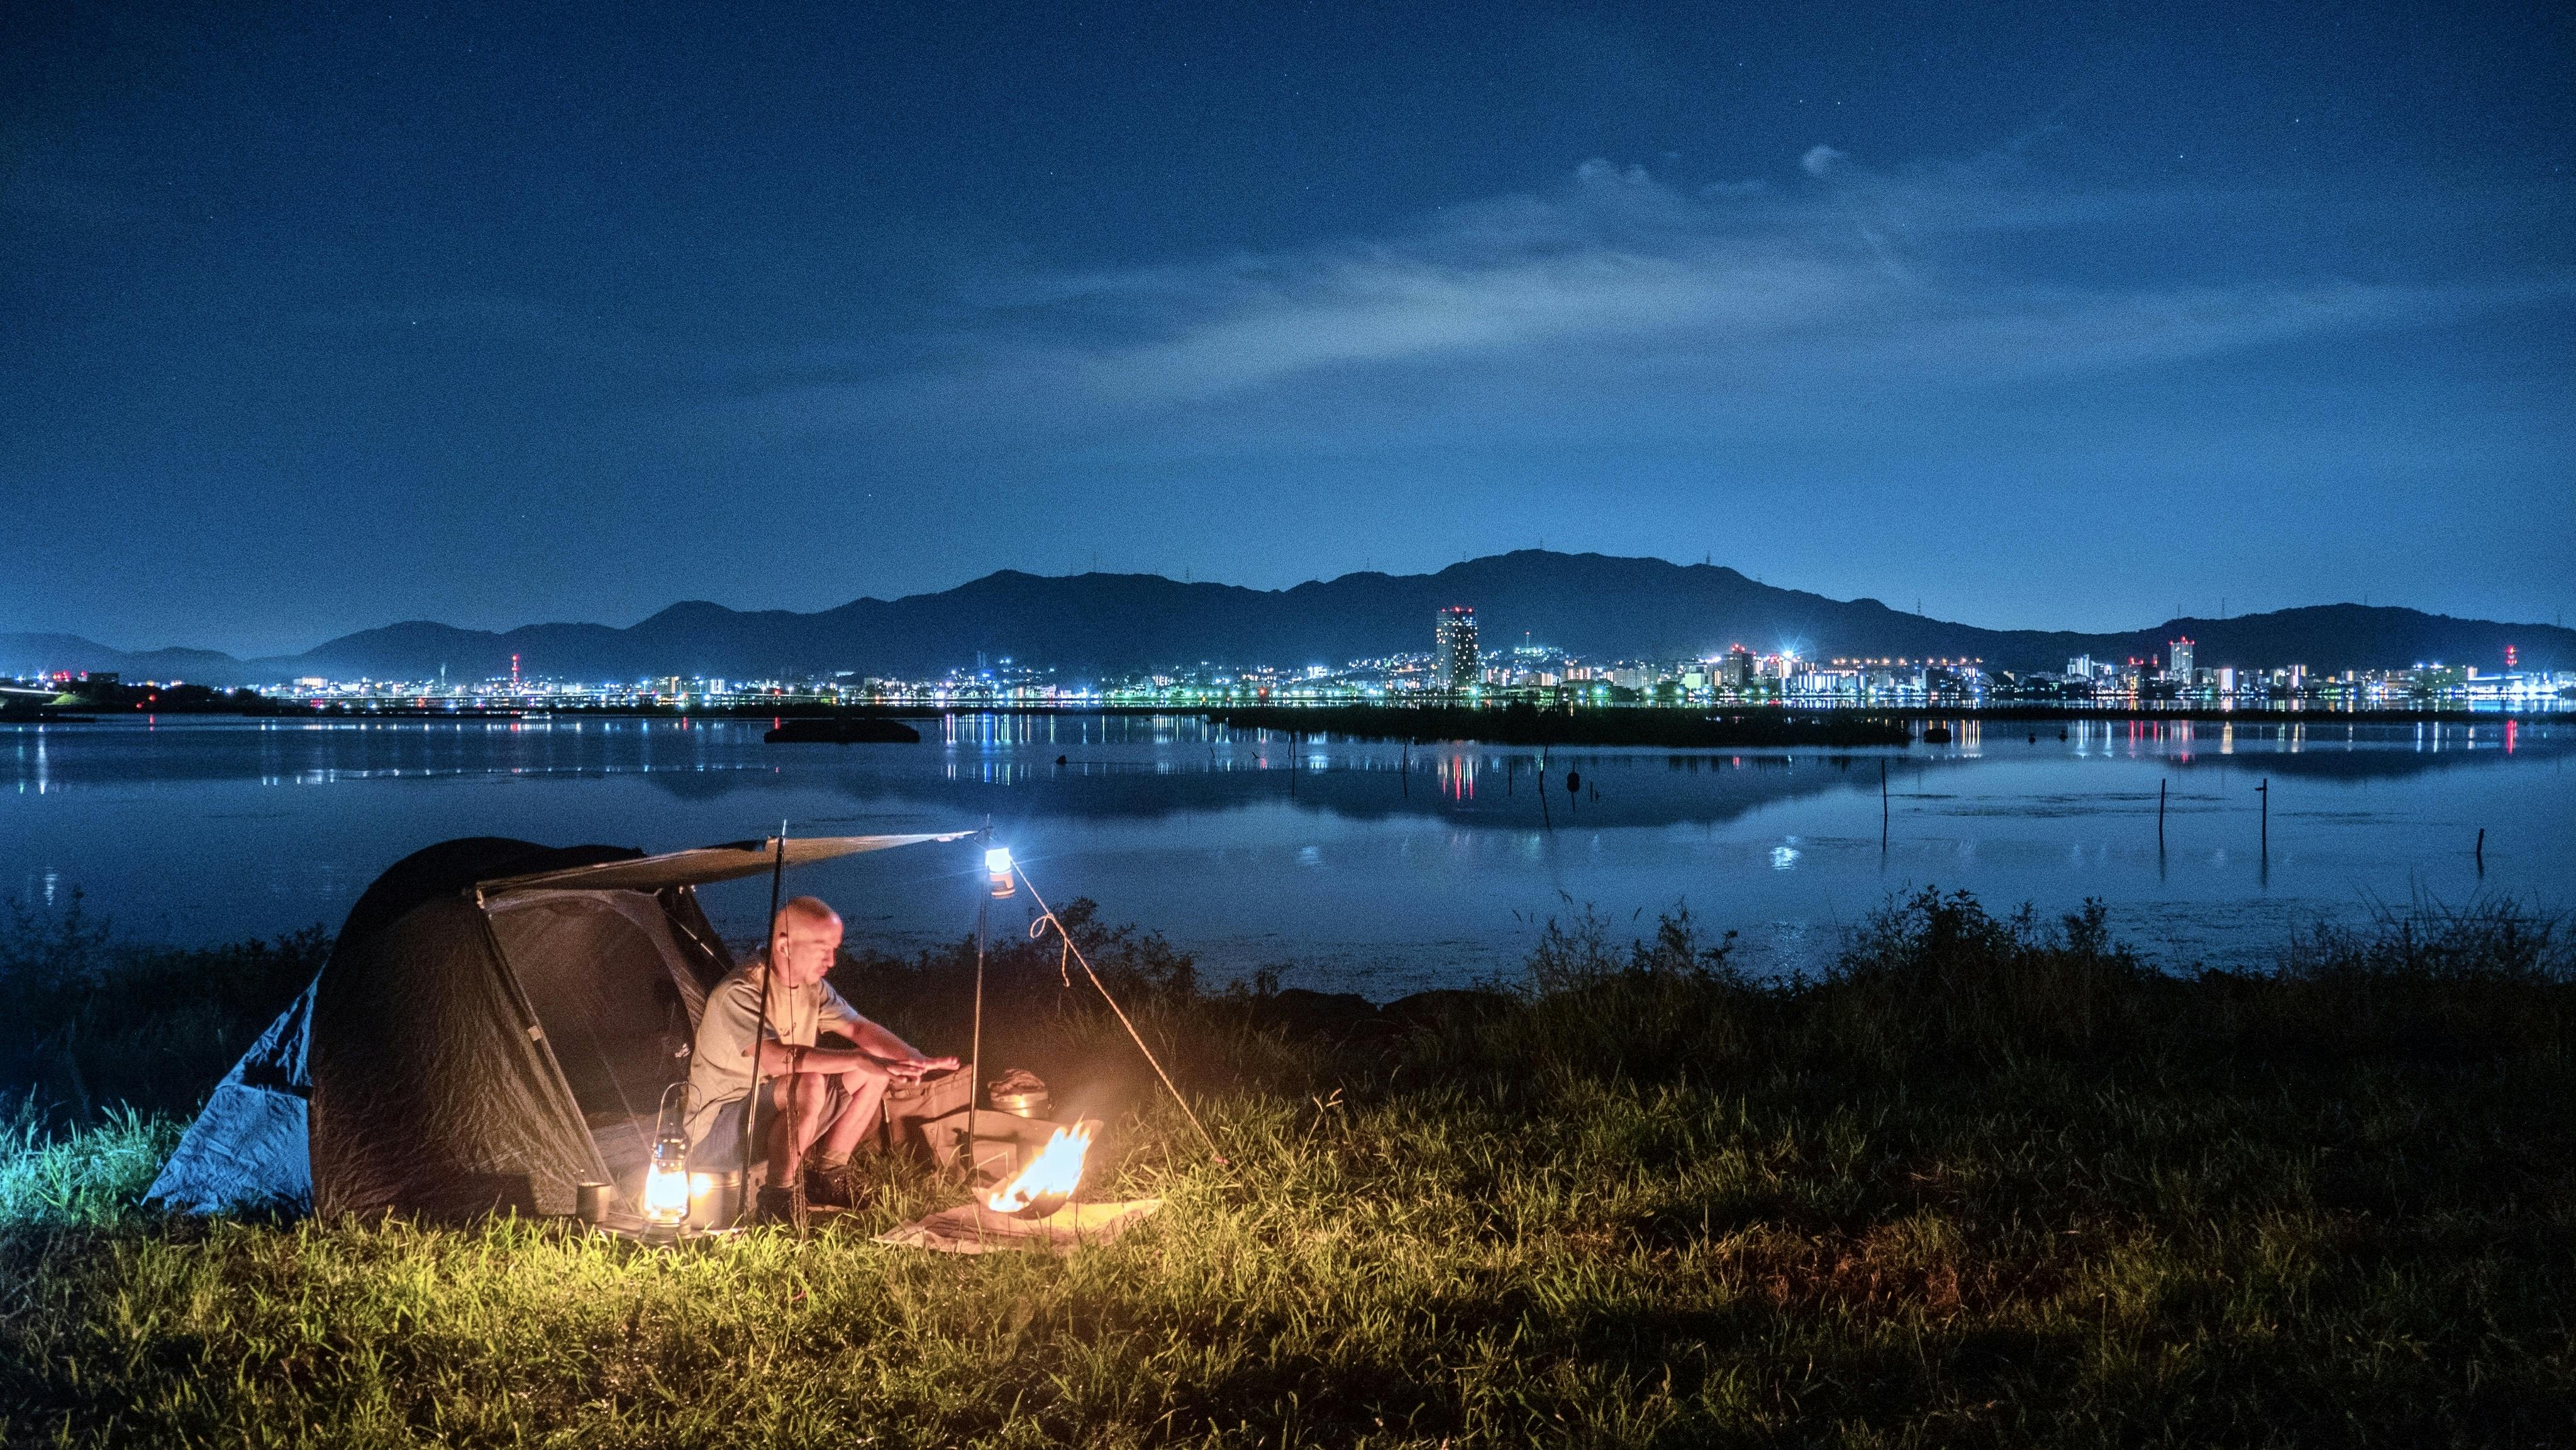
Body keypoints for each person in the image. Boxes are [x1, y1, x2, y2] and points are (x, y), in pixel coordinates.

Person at [684, 895, 957, 1219]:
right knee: (812, 1081)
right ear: (785, 946)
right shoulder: (740, 991)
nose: (832, 961)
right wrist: (857, 1059)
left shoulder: (813, 988)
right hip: (717, 1135)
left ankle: (828, 1175)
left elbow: (859, 1028)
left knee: (874, 1068)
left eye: (835, 949)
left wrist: (913, 1058)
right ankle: (778, 1199)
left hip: (767, 1117)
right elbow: (776, 1060)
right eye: (822, 948)